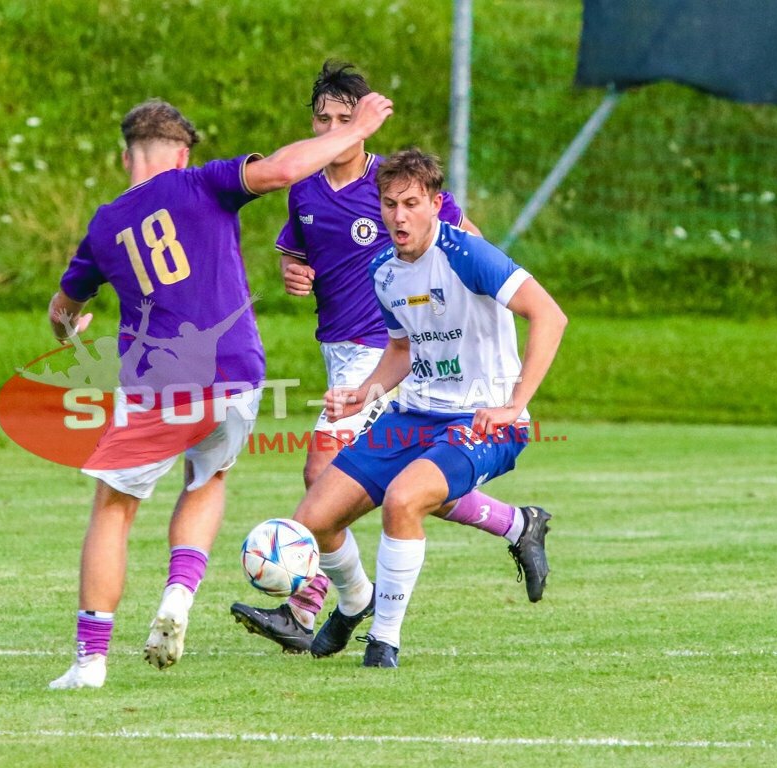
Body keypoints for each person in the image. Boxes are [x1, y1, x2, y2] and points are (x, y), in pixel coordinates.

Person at [47, 92, 393, 689]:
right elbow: (285, 168)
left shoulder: (105, 225)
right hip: (235, 374)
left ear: (127, 156)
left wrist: (69, 325)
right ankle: (178, 600)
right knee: (206, 480)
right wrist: (356, 130)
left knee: (115, 507)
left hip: (158, 382)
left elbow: (63, 308)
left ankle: (90, 660)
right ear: (182, 153)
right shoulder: (204, 182)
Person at [230, 61, 551, 655]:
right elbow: (304, 253)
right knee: (388, 489)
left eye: (344, 120)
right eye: (321, 119)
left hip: (398, 361)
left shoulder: (403, 192)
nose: (398, 216)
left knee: (349, 481)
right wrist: (293, 270)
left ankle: (325, 611)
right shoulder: (308, 187)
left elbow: (483, 264)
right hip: (359, 355)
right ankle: (516, 523)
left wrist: (510, 389)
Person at [291, 148, 567, 667]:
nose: (399, 215)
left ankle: (384, 642)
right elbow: (401, 350)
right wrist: (366, 392)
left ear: (437, 204)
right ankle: (355, 604)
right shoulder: (384, 271)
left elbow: (549, 316)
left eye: (412, 203)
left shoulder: (468, 255)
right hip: (413, 416)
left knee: (403, 499)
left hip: (484, 422)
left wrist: (515, 405)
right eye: (390, 203)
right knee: (315, 520)